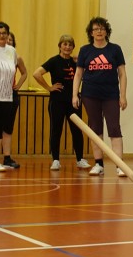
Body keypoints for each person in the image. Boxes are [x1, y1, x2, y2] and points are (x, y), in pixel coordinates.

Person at [72, 16, 127, 176]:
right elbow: (78, 74)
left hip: (111, 95)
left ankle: (120, 165)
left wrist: (123, 95)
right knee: (95, 129)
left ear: (106, 31)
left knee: (114, 128)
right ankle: (99, 164)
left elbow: (122, 74)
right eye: (96, 29)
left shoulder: (115, 49)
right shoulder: (85, 50)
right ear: (91, 32)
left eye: (102, 28)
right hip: (90, 95)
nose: (99, 31)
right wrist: (74, 95)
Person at [33, 35, 90, 171]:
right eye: (65, 44)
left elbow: (87, 71)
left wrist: (81, 60)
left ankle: (80, 159)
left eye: (70, 45)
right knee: (56, 130)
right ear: (60, 46)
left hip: (74, 101)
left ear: (73, 47)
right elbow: (36, 74)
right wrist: (49, 87)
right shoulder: (54, 61)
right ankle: (56, 160)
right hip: (57, 101)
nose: (67, 47)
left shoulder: (76, 62)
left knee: (77, 130)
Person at [0, 31, 27, 169]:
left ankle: (7, 157)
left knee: (7, 127)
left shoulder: (16, 57)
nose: (7, 41)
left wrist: (18, 85)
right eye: (6, 39)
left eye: (10, 39)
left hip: (11, 95)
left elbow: (24, 73)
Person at [0, 22, 17, 172]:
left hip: (7, 98)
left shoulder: (12, 51)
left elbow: (14, 70)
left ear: (8, 34)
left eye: (4, 33)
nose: (1, 35)